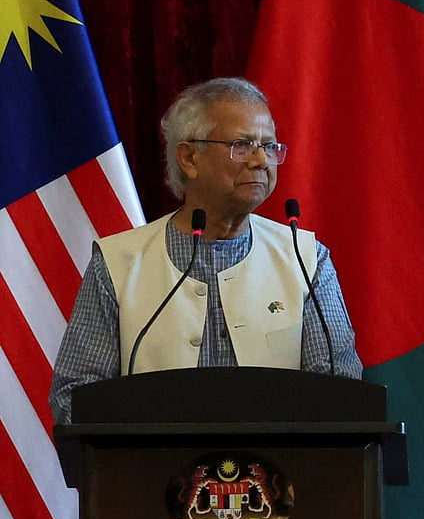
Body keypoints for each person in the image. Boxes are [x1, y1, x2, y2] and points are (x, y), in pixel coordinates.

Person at [50, 77, 362, 424]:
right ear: (189, 158)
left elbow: (340, 390)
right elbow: (74, 397)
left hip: (277, 475)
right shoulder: (119, 263)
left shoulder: (306, 259)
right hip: (154, 474)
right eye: (243, 145)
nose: (261, 160)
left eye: (270, 146)